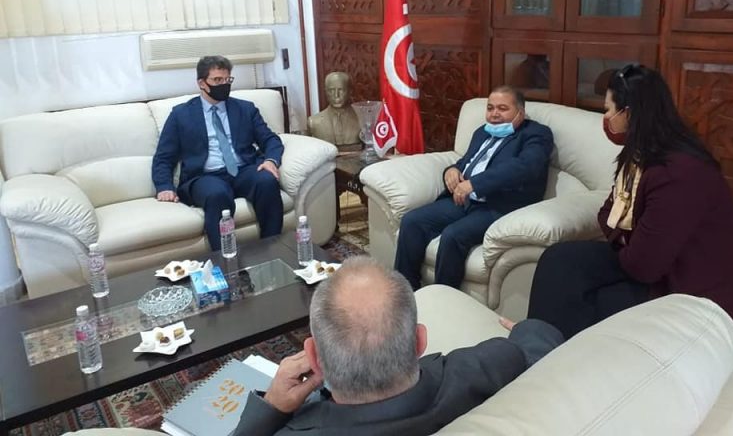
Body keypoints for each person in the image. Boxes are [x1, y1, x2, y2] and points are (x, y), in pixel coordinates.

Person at [526, 64, 733, 423]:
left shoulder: (679, 171)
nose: (605, 119)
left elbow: (643, 264)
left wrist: (623, 234)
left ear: (629, 112)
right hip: (652, 262)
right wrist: (626, 235)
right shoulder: (639, 155)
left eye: (608, 110)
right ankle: (536, 353)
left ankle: (567, 383)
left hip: (693, 287)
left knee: (591, 303)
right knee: (560, 260)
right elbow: (607, 214)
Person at [231, 256, 563, 435]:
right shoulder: (474, 371)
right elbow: (542, 345)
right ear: (420, 341)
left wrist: (272, 407)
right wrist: (527, 327)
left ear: (314, 358)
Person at [395, 86, 553, 290]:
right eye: (490, 108)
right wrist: (451, 171)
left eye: (503, 108)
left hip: (499, 205)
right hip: (465, 200)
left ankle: (442, 297)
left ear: (520, 113)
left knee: (452, 236)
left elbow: (525, 167)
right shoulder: (482, 132)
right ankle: (406, 291)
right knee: (412, 221)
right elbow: (466, 163)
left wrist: (475, 184)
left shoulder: (536, 134)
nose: (494, 114)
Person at [151, 56, 284, 251]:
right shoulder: (181, 115)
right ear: (202, 83)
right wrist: (164, 186)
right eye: (217, 80)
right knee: (217, 194)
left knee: (267, 181)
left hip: (243, 169)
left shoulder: (245, 109)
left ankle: (273, 250)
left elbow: (271, 139)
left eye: (227, 80)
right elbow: (164, 156)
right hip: (205, 176)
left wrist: (271, 161)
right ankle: (226, 259)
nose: (223, 85)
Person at [308, 72, 361, 149]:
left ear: (350, 91)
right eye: (331, 90)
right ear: (325, 91)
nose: (336, 95)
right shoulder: (313, 122)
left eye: (341, 90)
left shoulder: (362, 118)